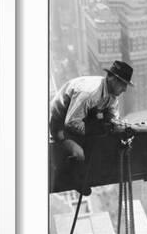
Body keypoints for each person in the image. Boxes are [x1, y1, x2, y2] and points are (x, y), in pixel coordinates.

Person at [49, 60, 134, 195]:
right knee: (79, 153)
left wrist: (118, 125)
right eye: (123, 84)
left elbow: (113, 117)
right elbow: (71, 123)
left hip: (81, 119)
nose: (124, 89)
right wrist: (96, 129)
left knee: (101, 140)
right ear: (112, 79)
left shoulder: (111, 95)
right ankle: (75, 180)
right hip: (60, 124)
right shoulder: (90, 93)